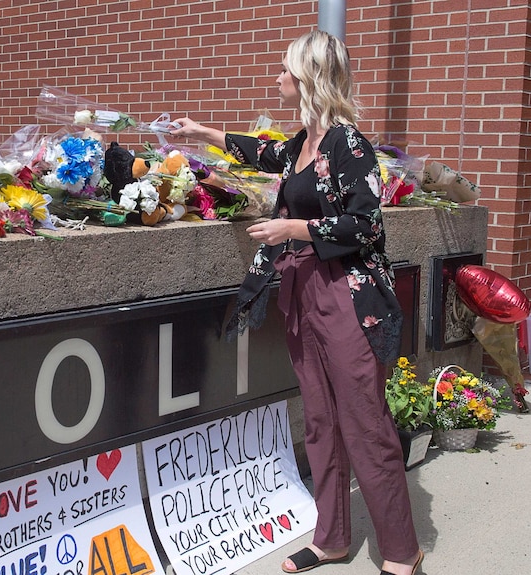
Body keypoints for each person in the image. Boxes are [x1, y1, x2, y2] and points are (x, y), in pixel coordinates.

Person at [170, 30, 424, 575]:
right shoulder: (301, 142)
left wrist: (295, 226)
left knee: (364, 420)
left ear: (309, 76)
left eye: (285, 70)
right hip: (302, 292)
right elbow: (258, 151)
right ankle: (331, 539)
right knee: (319, 419)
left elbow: (367, 223)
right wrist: (200, 132)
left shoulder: (348, 143)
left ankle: (402, 551)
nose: (277, 78)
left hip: (348, 297)